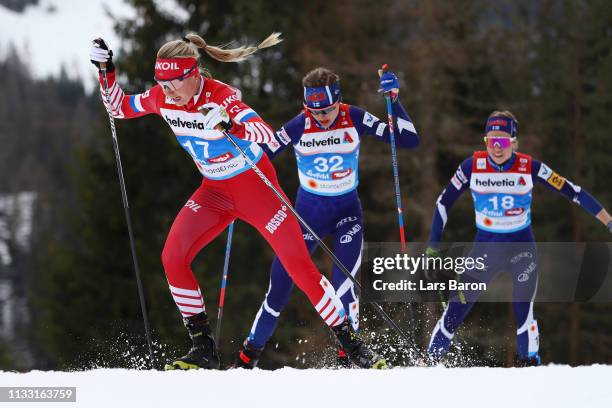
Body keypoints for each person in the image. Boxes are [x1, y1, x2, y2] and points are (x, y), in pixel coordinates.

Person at [89, 33, 386, 370]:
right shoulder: (161, 98)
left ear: (193, 75)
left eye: (172, 82)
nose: (166, 90)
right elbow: (119, 107)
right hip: (214, 192)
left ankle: (352, 344)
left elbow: (265, 134)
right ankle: (202, 347)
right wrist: (106, 70)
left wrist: (231, 124)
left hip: (255, 189)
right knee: (172, 257)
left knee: (298, 267)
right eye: (161, 82)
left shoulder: (223, 97)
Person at [235, 67, 419, 368]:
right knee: (279, 286)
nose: (321, 117)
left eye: (328, 110)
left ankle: (349, 359)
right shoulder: (298, 126)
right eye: (314, 110)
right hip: (307, 215)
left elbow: (408, 141)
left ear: (339, 101)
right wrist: (236, 128)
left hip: (348, 213)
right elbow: (257, 157)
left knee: (343, 283)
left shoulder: (355, 117)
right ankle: (247, 357)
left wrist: (394, 101)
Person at [426, 110, 612, 366]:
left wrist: (609, 222)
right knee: (456, 308)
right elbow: (442, 204)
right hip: (485, 249)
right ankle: (429, 363)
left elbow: (574, 192)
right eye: (491, 141)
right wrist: (433, 247)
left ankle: (529, 363)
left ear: (513, 141)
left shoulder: (529, 166)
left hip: (521, 249)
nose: (496, 147)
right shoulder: (472, 166)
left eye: (502, 141)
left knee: (523, 311)